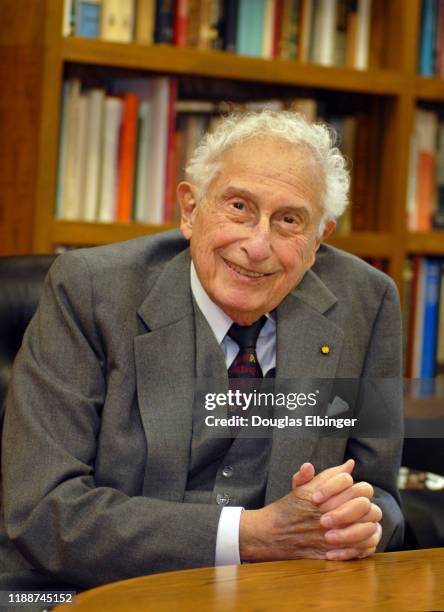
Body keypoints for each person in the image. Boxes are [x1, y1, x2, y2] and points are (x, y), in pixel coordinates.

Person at [0, 110, 404, 591]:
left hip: (281, 595)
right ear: (190, 209)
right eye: (238, 207)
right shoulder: (89, 293)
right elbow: (43, 513)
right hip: (95, 591)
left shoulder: (367, 303)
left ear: (319, 238)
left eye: (289, 220)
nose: (257, 245)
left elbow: (382, 495)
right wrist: (251, 536)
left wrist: (358, 523)